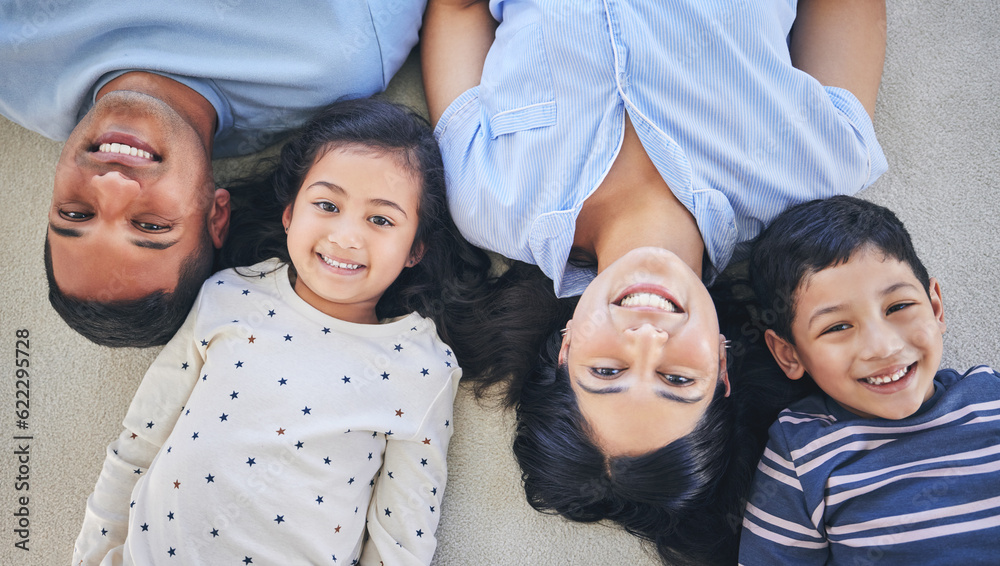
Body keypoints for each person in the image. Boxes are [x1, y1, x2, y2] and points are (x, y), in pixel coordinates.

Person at [422, 0, 887, 563]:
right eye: (676, 377)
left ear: (565, 349)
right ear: (722, 365)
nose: (646, 338)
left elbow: (457, 8)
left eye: (608, 370)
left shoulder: (487, 200)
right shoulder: (819, 168)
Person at [72, 99, 491, 565]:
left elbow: (402, 540)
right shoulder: (229, 295)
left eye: (380, 220)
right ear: (290, 214)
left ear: (415, 249)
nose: (347, 236)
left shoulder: (420, 368)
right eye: (327, 205)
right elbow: (138, 442)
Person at [0, 1, 426, 347]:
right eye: (150, 224)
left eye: (75, 214)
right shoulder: (336, 59)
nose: (110, 183)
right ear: (216, 215)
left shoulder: (13, 69)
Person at [740, 195, 1000, 564]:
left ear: (936, 307)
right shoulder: (801, 450)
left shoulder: (990, 395)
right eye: (838, 326)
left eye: (898, 307)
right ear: (790, 354)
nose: (882, 347)